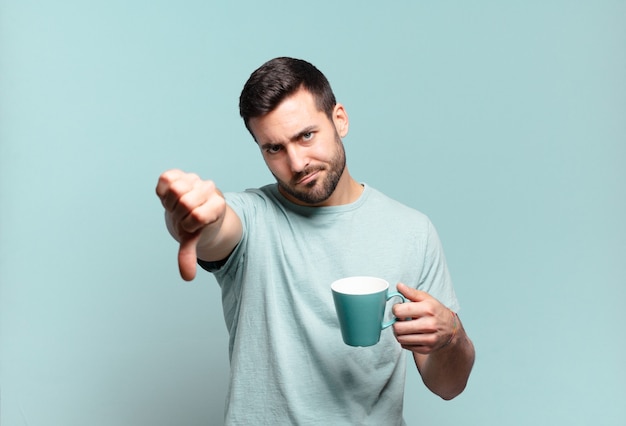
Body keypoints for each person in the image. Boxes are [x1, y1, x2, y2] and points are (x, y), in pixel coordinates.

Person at [156, 57, 475, 425]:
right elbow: (219, 227)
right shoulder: (252, 216)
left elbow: (449, 386)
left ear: (339, 119)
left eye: (306, 135)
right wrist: (196, 216)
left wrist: (451, 334)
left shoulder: (412, 231)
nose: (296, 162)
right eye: (274, 148)